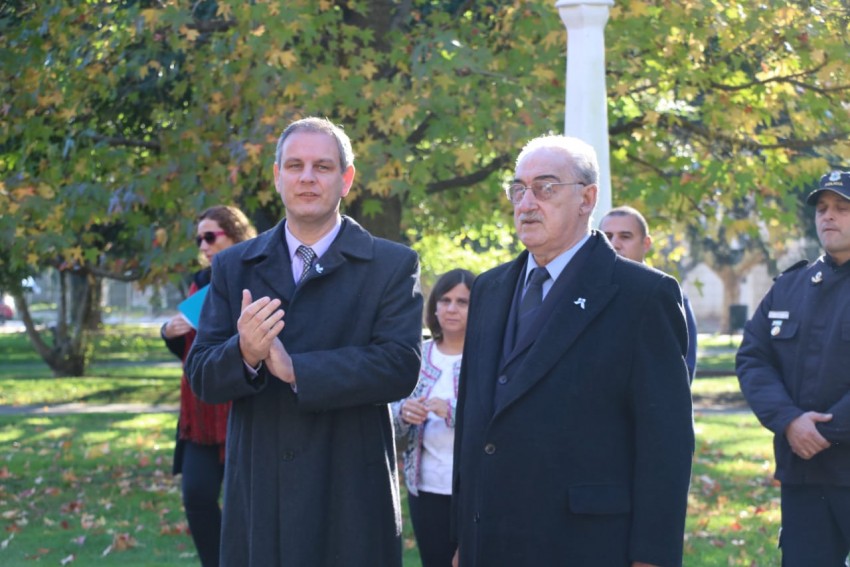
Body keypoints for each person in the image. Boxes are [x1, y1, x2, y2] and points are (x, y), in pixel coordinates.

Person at [185, 117, 423, 567]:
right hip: (262, 492)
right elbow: (201, 375)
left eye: (322, 166)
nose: (307, 177)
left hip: (350, 489)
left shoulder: (391, 265)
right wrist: (245, 353)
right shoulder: (234, 266)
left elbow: (400, 366)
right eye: (295, 166)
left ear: (346, 179)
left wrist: (298, 370)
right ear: (278, 177)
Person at [451, 135, 694, 567]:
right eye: (518, 189)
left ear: (587, 198)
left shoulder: (642, 294)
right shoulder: (488, 288)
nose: (526, 204)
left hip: (584, 543)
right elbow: (475, 418)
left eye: (545, 188)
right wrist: (464, 540)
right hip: (489, 541)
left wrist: (652, 556)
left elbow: (666, 442)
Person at [736, 170, 850, 566]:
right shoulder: (790, 286)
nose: (828, 216)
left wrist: (824, 430)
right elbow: (753, 357)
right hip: (804, 474)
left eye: (842, 208)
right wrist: (788, 421)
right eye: (822, 208)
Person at [161, 205, 256, 567]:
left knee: (246, 504)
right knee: (197, 495)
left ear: (235, 234)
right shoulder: (200, 281)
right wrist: (168, 333)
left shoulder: (257, 275)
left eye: (211, 236)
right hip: (200, 414)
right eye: (200, 238)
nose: (203, 245)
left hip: (244, 405)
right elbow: (192, 350)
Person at [393, 268, 475, 567]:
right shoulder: (418, 356)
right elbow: (390, 413)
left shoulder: (487, 358)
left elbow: (497, 418)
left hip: (473, 491)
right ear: (434, 307)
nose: (452, 309)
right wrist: (404, 411)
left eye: (462, 302)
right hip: (425, 488)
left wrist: (452, 410)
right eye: (445, 300)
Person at [599, 206, 699, 382]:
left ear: (646, 244)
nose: (614, 244)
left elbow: (682, 368)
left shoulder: (664, 293)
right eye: (607, 236)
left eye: (625, 236)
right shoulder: (584, 291)